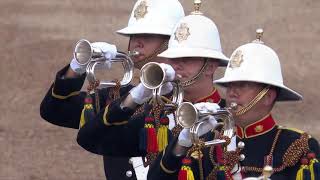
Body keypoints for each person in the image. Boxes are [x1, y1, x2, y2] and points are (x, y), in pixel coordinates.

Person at [76, 4, 230, 180]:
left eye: (186, 59)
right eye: (173, 58)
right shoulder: (155, 114)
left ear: (210, 67)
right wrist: (134, 97)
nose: (177, 65)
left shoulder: (229, 119)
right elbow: (89, 139)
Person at [39, 0, 185, 179]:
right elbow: (55, 110)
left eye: (147, 36)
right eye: (134, 35)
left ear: (171, 43)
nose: (137, 43)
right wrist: (78, 65)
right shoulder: (116, 97)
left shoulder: (190, 104)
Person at [149, 29, 320, 180]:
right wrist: (182, 142)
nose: (232, 92)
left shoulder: (297, 145)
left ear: (268, 97)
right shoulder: (207, 143)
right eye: (230, 85)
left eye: (243, 85)